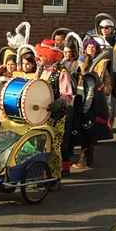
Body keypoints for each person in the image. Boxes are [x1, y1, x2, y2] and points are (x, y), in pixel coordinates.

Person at [35, 39, 74, 179]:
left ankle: (55, 177)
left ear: (49, 56)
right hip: (41, 115)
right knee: (41, 146)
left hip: (57, 116)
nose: (38, 58)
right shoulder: (40, 71)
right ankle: (43, 175)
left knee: (54, 146)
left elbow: (68, 96)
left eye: (41, 55)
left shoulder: (62, 72)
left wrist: (58, 103)